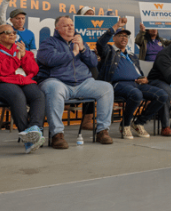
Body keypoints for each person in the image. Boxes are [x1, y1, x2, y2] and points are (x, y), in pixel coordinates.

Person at [36, 16, 114, 149]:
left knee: (106, 88)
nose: (70, 27)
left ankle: (102, 131)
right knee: (53, 88)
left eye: (71, 25)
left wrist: (83, 48)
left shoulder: (78, 41)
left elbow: (93, 63)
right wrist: (72, 53)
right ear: (57, 28)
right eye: (66, 25)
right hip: (58, 81)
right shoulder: (48, 42)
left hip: (83, 83)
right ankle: (57, 134)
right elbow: (49, 60)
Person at [96, 17, 168, 139]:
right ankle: (125, 125)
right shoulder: (109, 51)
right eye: (120, 35)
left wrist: (144, 79)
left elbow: (138, 72)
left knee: (162, 95)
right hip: (118, 84)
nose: (124, 38)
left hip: (137, 84)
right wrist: (116, 26)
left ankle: (139, 122)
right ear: (114, 38)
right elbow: (100, 43)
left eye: (126, 36)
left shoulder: (132, 55)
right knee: (136, 95)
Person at [0, 25, 45, 153]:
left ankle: (34, 129)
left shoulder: (19, 49)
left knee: (38, 95)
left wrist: (24, 55)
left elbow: (33, 70)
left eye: (13, 32)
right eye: (7, 32)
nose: (12, 35)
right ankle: (28, 139)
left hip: (18, 81)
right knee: (17, 95)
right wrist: (16, 59)